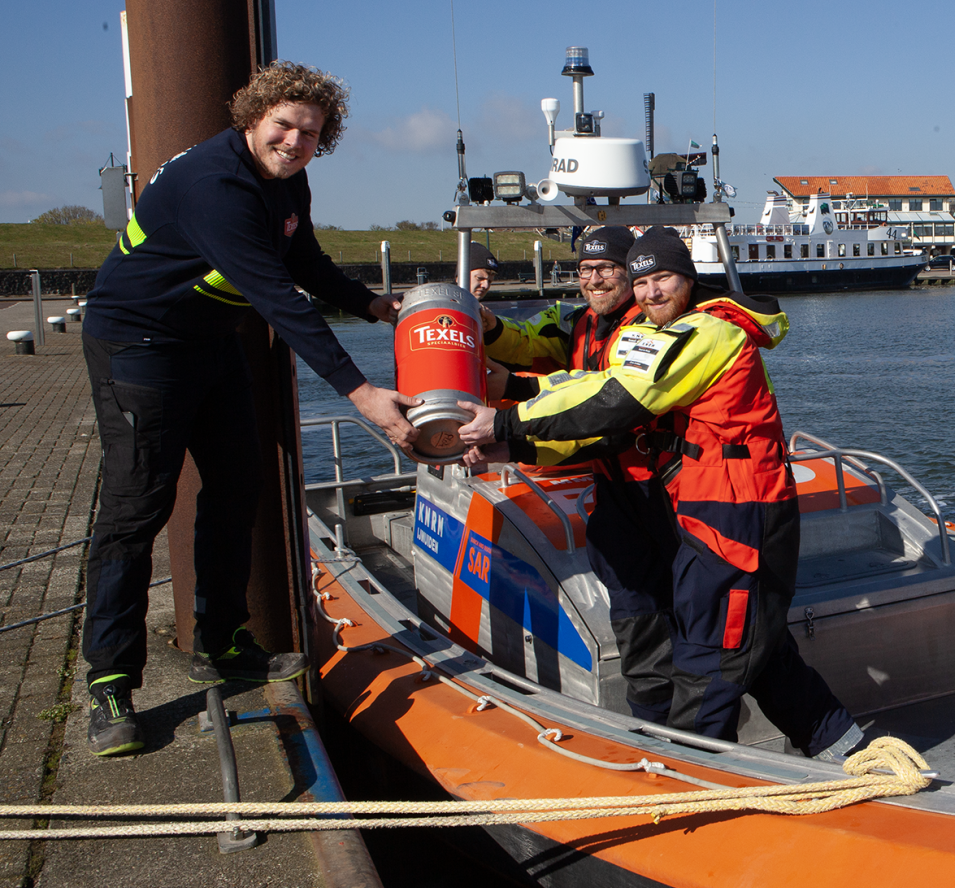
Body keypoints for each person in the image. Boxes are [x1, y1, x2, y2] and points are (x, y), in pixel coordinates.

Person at [80, 61, 420, 757]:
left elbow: (305, 264)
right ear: (252, 118)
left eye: (310, 132)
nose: (295, 141)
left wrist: (375, 306)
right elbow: (275, 296)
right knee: (134, 509)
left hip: (208, 342)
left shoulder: (287, 179)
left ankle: (222, 638)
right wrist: (362, 393)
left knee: (238, 485)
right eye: (284, 126)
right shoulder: (215, 185)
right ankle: (111, 681)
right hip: (140, 345)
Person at [458, 229, 861, 762]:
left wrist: (507, 423)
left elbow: (621, 400)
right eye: (642, 281)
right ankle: (841, 747)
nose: (648, 293)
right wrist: (516, 406)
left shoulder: (706, 331)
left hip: (737, 508)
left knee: (713, 653)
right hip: (695, 505)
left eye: (659, 278)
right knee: (734, 642)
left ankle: (692, 775)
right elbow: (590, 386)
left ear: (687, 279)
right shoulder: (644, 330)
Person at [471, 225, 678, 723]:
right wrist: (488, 327)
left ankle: (687, 722)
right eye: (585, 270)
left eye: (606, 268)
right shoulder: (579, 323)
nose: (594, 280)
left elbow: (605, 409)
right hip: (616, 491)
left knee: (673, 606)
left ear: (633, 272)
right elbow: (534, 348)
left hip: (664, 490)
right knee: (633, 607)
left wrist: (511, 436)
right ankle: (652, 719)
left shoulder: (648, 329)